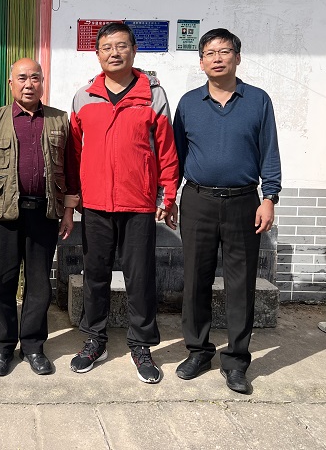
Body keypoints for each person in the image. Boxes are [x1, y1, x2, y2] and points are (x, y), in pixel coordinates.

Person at [171, 28, 281, 395]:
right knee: (195, 280)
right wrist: (168, 197)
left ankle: (235, 361)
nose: (217, 58)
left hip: (243, 203)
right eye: (210, 53)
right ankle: (198, 351)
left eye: (225, 51)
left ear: (238, 57)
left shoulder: (258, 100)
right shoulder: (189, 103)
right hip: (197, 201)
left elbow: (270, 152)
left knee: (241, 284)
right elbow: (176, 156)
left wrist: (269, 197)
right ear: (201, 62)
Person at [69, 22, 179, 384]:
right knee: (95, 275)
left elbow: (166, 149)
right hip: (95, 204)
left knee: (140, 277)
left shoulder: (153, 95)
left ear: (134, 50)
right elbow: (73, 151)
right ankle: (95, 340)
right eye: (107, 47)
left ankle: (141, 344)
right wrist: (74, 195)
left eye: (121, 46)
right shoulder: (84, 97)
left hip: (138, 202)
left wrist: (168, 194)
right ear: (97, 54)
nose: (114, 53)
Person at [0, 58, 80, 377]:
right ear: (11, 84)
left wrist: (69, 210)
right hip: (4, 213)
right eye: (22, 78)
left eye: (35, 78)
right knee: (1, 283)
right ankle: (3, 347)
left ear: (42, 82)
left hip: (44, 213)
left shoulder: (59, 119)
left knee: (39, 284)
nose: (29, 84)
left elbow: (71, 167)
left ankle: (33, 346)